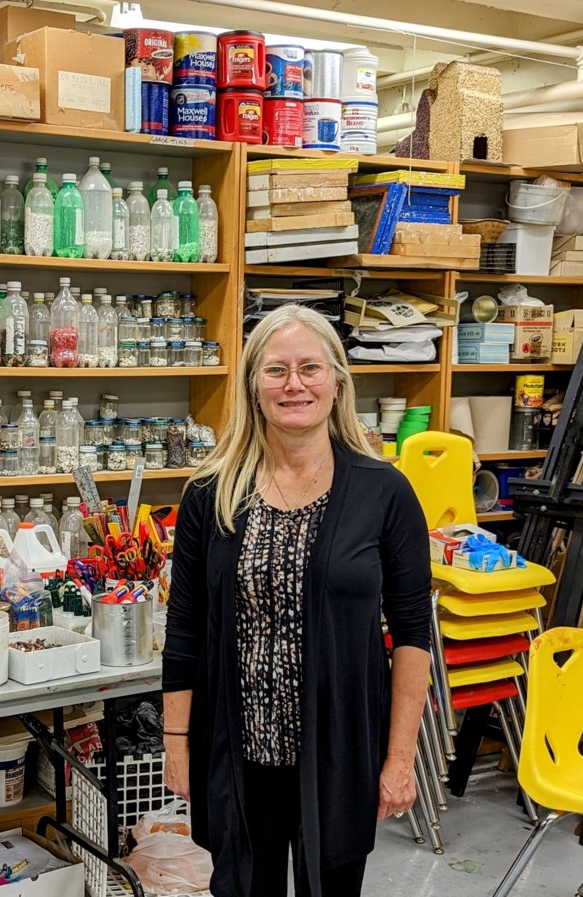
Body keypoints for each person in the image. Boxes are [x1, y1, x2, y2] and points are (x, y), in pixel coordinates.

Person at [162, 304, 431, 897]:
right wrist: (175, 744)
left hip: (340, 753)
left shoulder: (383, 492)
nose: (294, 384)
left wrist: (400, 758)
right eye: (276, 370)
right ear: (253, 386)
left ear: (337, 381)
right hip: (238, 751)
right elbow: (184, 629)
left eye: (310, 368)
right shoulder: (211, 494)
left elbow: (413, 633)